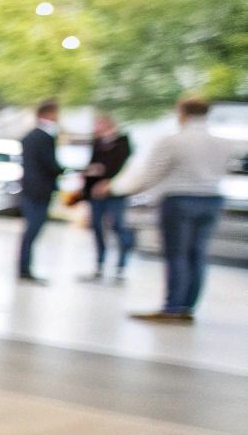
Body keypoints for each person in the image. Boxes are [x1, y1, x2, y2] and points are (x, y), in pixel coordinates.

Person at [98, 96, 236, 322]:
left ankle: (172, 307)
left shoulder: (172, 141)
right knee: (198, 254)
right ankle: (187, 308)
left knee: (177, 254)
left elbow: (150, 175)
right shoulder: (224, 143)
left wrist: (114, 188)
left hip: (179, 200)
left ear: (182, 114)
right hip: (212, 201)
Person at [79, 112, 133, 283]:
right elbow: (92, 165)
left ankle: (121, 267)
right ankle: (99, 266)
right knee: (97, 227)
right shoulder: (97, 143)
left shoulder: (123, 142)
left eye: (99, 124)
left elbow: (122, 168)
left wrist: (108, 182)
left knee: (118, 227)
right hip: (96, 193)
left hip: (115, 193)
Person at [15, 99, 63, 285]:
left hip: (30, 188)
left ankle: (24, 268)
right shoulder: (44, 137)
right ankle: (25, 269)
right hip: (40, 190)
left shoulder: (30, 136)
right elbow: (50, 165)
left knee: (30, 230)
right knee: (33, 230)